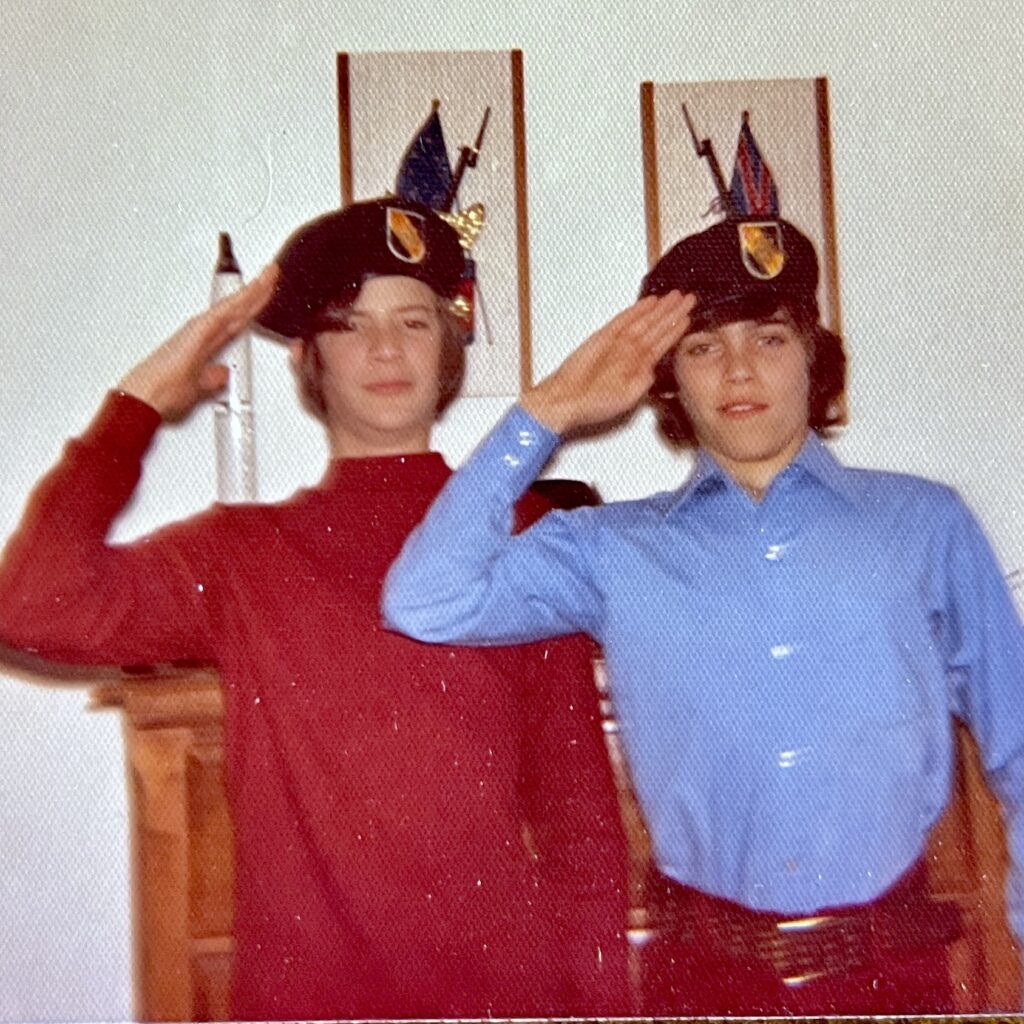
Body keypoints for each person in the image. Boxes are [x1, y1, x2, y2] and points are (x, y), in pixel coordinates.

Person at [0, 197, 629, 1020]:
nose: (383, 348)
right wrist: (142, 400)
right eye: (349, 324)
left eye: (412, 321)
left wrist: (602, 1001)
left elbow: (578, 806)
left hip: (503, 996)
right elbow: (30, 605)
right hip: (307, 1000)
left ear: (449, 345)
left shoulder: (522, 531)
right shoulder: (242, 553)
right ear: (309, 358)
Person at [382, 213, 1024, 1015]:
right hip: (705, 979)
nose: (738, 371)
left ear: (813, 359)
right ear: (670, 380)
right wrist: (547, 410)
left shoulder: (926, 526)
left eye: (769, 339)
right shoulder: (609, 548)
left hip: (893, 971)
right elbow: (423, 600)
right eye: (703, 347)